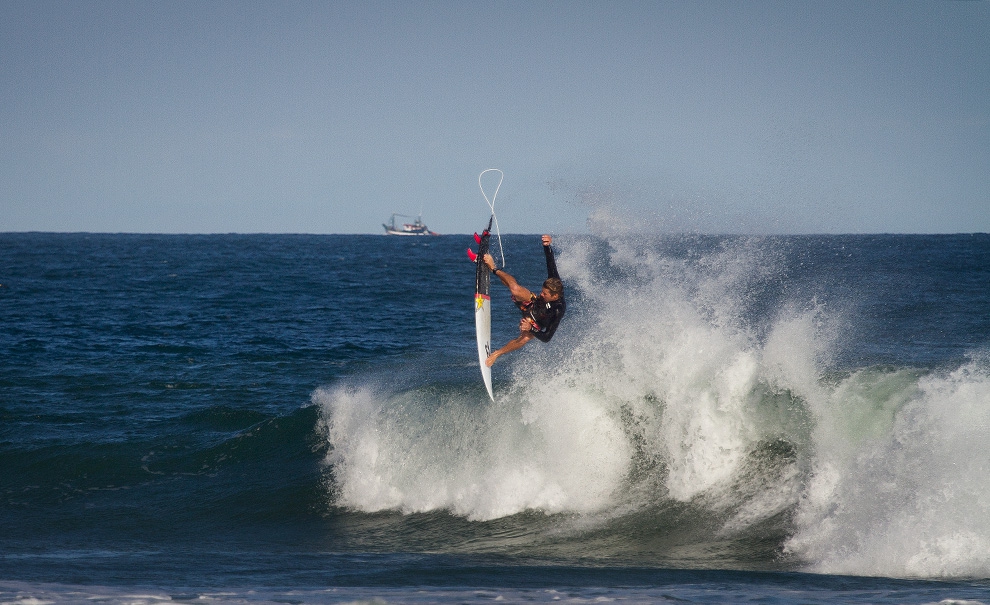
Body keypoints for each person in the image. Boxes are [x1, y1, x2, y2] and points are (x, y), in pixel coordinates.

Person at [483, 234, 565, 367]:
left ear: (555, 296)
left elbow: (547, 337)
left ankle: (496, 354)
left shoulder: (558, 310)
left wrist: (530, 328)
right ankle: (493, 268)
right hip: (535, 304)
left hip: (537, 321)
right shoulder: (554, 281)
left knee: (524, 338)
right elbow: (550, 262)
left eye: (545, 293)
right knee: (515, 289)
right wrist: (547, 246)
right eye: (542, 291)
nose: (541, 294)